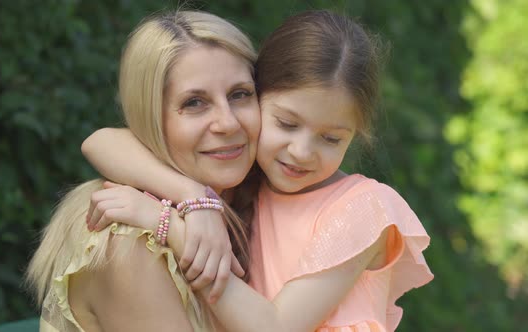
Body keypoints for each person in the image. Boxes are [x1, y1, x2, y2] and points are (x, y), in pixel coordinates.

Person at [83, 10, 434, 332]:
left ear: (355, 135)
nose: (301, 152)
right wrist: (194, 199)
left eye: (330, 138)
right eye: (286, 123)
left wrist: (171, 225)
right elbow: (100, 142)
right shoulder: (247, 177)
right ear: (257, 97)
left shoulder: (364, 209)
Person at [26, 10, 262, 331]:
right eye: (194, 102)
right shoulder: (128, 240)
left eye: (240, 94)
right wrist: (196, 201)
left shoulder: (259, 196)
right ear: (150, 115)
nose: (228, 122)